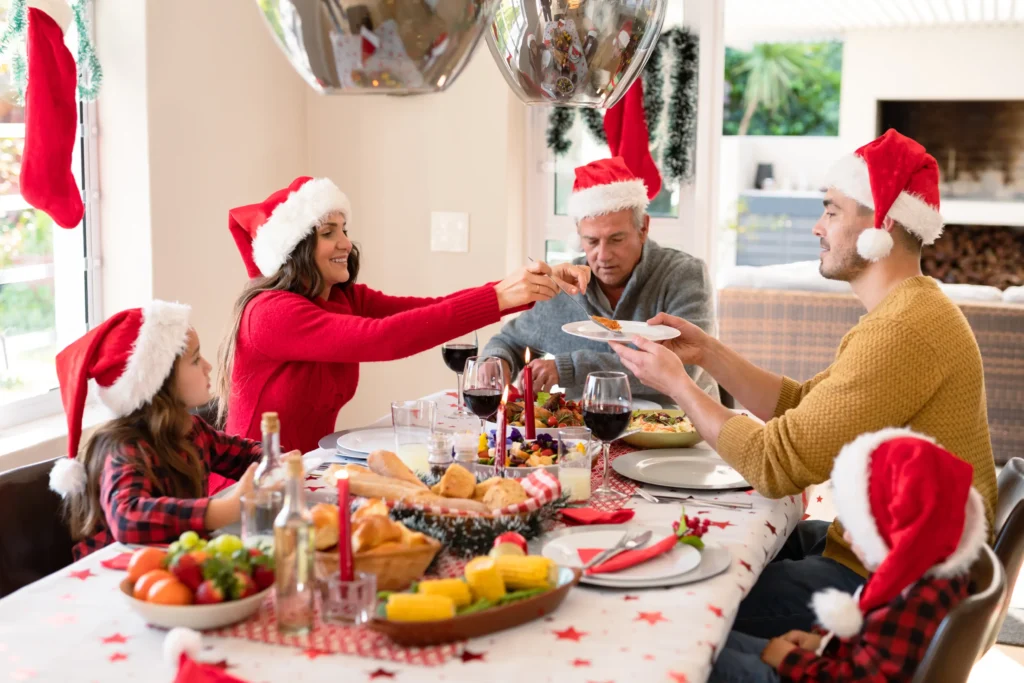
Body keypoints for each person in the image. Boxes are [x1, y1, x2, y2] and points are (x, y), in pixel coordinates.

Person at [611, 130, 997, 636]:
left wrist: (680, 385)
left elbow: (776, 464)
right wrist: (707, 351)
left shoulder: (905, 329)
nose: (817, 226)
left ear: (881, 224)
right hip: (875, 550)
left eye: (832, 211)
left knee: (683, 603)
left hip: (893, 584)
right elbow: (800, 405)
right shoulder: (907, 311)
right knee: (715, 550)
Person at [217, 176, 588, 477]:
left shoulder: (342, 297)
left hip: (311, 469)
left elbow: (431, 309)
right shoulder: (271, 313)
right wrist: (501, 298)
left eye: (344, 229)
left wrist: (523, 287)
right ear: (294, 248)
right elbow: (385, 339)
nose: (346, 242)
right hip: (255, 484)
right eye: (328, 232)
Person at [709, 429, 985, 683]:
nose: (849, 537)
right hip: (826, 662)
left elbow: (859, 679)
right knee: (704, 642)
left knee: (703, 659)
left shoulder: (911, 603)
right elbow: (871, 650)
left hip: (815, 676)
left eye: (858, 527)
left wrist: (790, 659)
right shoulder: (919, 565)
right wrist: (822, 644)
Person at [47, 301, 275, 559]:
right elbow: (127, 517)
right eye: (196, 359)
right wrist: (222, 510)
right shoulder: (123, 448)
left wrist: (275, 462)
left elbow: (245, 454)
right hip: (114, 576)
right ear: (160, 381)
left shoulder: (192, 430)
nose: (208, 366)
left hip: (170, 564)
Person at [483, 157, 717, 403]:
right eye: (592, 242)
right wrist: (496, 362)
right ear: (579, 234)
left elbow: (687, 364)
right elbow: (510, 341)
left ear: (644, 228)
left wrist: (571, 368)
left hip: (678, 426)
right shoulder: (565, 284)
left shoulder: (685, 275)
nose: (603, 256)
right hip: (589, 433)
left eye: (616, 239)